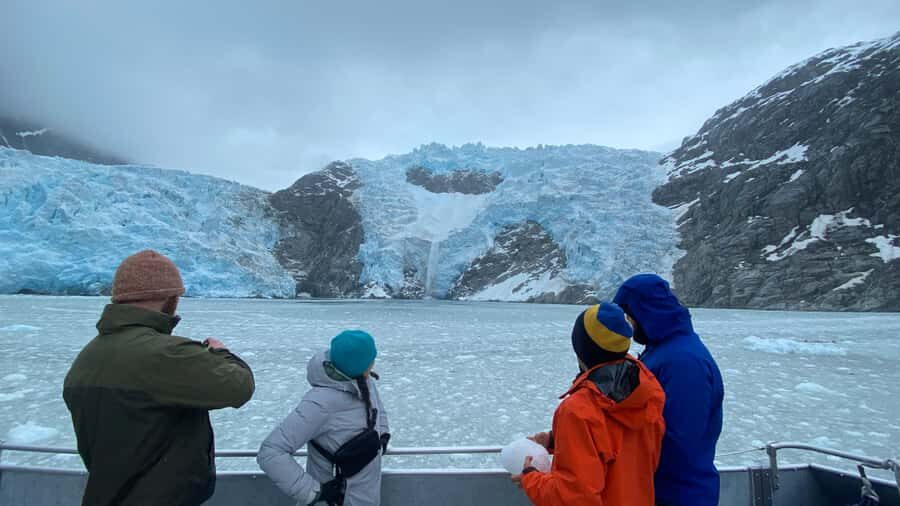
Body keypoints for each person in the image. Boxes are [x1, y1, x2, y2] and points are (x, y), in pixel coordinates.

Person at [63, 249, 256, 506]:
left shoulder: (88, 358)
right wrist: (222, 353)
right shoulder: (164, 353)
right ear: (168, 296)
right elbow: (239, 386)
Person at [513, 302, 666, 506]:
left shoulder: (578, 411)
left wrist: (531, 477)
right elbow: (626, 451)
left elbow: (574, 497)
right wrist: (556, 441)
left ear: (582, 350)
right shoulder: (646, 392)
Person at [613, 273, 724, 506]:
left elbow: (677, 441)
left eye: (630, 315)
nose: (629, 323)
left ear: (646, 312)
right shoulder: (663, 350)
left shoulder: (683, 362)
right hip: (660, 491)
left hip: (679, 495)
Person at [258, 330, 390, 506]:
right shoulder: (320, 403)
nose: (374, 362)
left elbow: (376, 409)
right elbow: (271, 452)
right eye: (371, 358)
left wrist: (383, 434)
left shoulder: (363, 381)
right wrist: (315, 492)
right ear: (361, 364)